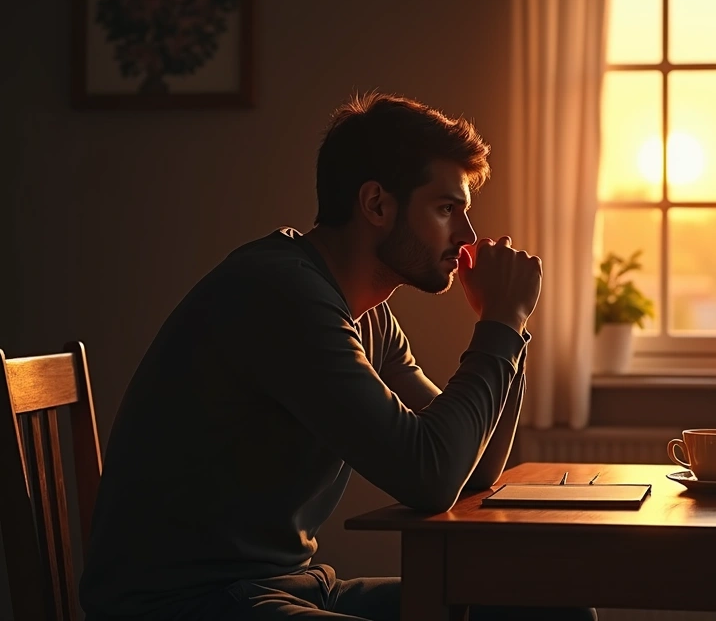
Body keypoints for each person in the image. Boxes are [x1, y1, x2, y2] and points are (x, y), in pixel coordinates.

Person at [79, 92, 597, 621]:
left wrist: (510, 327)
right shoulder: (282, 295)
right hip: (187, 604)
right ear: (376, 204)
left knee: (556, 615)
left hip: (292, 589)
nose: (467, 236)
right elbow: (431, 476)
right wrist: (500, 324)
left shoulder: (366, 315)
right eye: (446, 209)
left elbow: (473, 467)